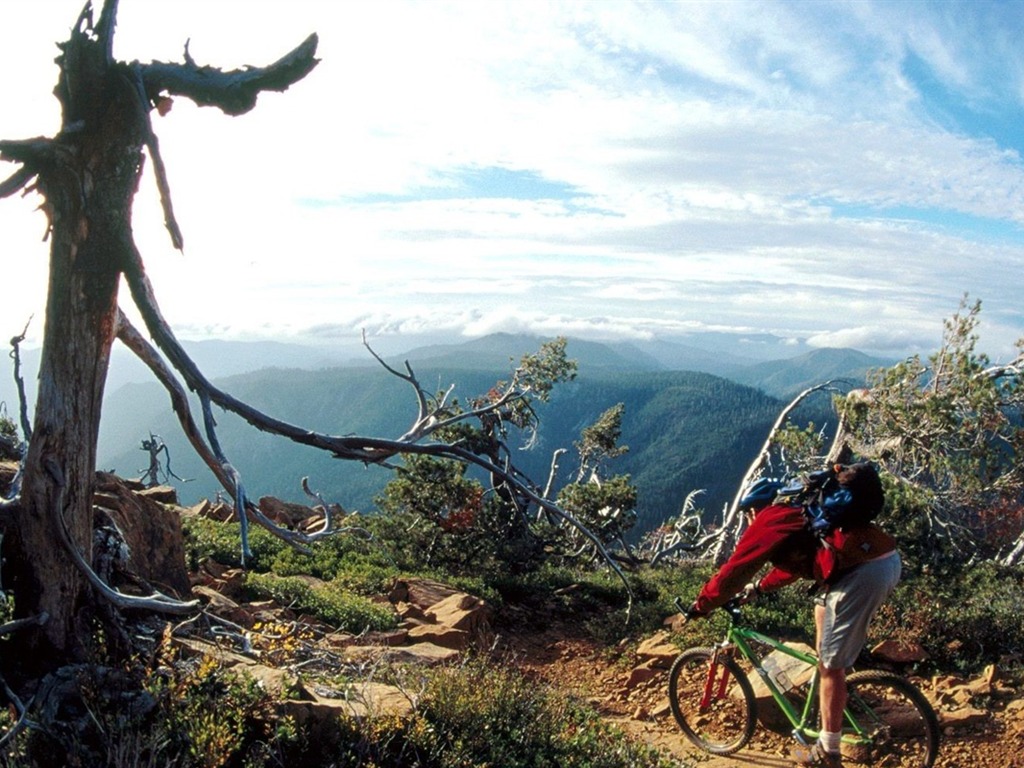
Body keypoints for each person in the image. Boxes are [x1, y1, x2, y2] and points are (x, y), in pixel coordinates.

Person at [682, 463, 901, 768]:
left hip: (866, 573)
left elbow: (734, 570)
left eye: (748, 514)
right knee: (822, 620)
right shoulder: (798, 514)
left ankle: (828, 750)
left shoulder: (770, 519)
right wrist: (758, 589)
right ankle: (829, 701)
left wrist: (701, 605)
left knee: (830, 664)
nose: (748, 521)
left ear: (755, 508)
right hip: (878, 563)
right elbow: (792, 568)